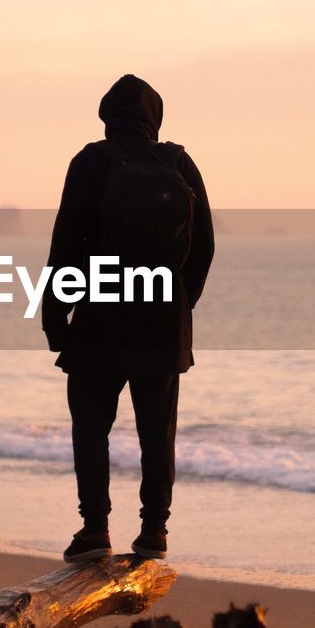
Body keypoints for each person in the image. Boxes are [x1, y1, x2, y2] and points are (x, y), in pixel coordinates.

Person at [42, 75, 214, 562]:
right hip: (162, 323)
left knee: (91, 426)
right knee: (157, 430)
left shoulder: (90, 163)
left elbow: (65, 246)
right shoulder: (179, 163)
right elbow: (204, 248)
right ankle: (154, 531)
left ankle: (95, 528)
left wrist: (56, 320)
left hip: (99, 319)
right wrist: (180, 307)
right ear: (155, 119)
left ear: (106, 116)